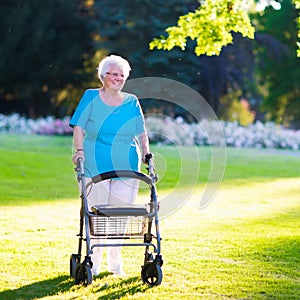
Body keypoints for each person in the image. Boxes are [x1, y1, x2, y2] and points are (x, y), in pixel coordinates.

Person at [69, 54, 150, 276]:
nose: (117, 78)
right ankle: (93, 262)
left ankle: (115, 262)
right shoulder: (91, 97)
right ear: (103, 76)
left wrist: (147, 153)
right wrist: (79, 151)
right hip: (95, 163)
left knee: (120, 214)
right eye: (113, 73)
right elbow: (78, 127)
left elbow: (141, 132)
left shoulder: (132, 101)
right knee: (97, 213)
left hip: (127, 165)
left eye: (122, 75)